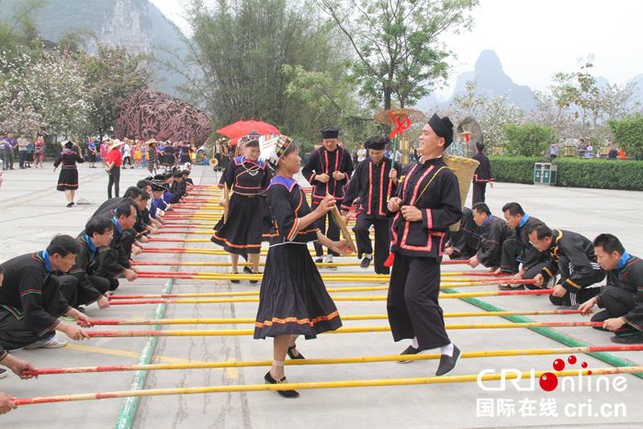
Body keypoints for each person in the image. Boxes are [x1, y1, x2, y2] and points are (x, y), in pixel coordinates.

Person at [254, 136, 349, 398]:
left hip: (298, 255)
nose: (300, 158)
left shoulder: (292, 185)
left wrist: (332, 244)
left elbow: (307, 226)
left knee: (306, 306)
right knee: (287, 314)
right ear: (282, 159)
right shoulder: (277, 188)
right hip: (283, 256)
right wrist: (319, 210)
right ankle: (275, 373)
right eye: (296, 154)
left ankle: (292, 347)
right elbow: (289, 228)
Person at [386, 113, 462, 376]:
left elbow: (453, 214)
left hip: (427, 247)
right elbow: (401, 198)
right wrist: (393, 203)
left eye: (426, 133)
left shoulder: (446, 175)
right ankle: (419, 341)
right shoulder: (412, 169)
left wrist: (423, 215)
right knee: (398, 299)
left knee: (417, 296)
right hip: (403, 243)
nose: (420, 136)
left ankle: (447, 347)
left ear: (440, 141)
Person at [0, 235, 91, 351]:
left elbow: (55, 299)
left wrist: (76, 314)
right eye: (71, 258)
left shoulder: (43, 264)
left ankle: (42, 337)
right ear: (56, 256)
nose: (73, 263)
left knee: (53, 283)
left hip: (14, 303)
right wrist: (67, 328)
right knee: (35, 330)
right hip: (3, 308)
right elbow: (32, 311)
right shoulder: (32, 270)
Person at [212, 139, 271, 283]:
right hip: (238, 203)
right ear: (245, 150)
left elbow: (267, 186)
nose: (255, 154)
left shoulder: (263, 166)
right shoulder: (235, 163)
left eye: (258, 151)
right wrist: (224, 199)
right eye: (252, 151)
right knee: (235, 234)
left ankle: (254, 268)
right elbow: (225, 184)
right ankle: (234, 269)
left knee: (255, 236)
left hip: (256, 204)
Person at [341, 136, 400, 273]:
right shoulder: (363, 165)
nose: (374, 156)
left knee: (383, 243)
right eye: (372, 153)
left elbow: (402, 190)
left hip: (385, 210)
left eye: (377, 154)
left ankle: (382, 272)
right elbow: (354, 186)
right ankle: (367, 252)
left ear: (384, 151)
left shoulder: (393, 166)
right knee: (359, 229)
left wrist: (395, 179)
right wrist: (346, 205)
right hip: (365, 207)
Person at [302, 126, 353, 265]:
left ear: (337, 140)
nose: (329, 144)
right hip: (319, 195)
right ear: (323, 141)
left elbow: (350, 170)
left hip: (337, 195)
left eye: (332, 141)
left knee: (335, 226)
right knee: (317, 225)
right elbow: (305, 170)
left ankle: (331, 254)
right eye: (327, 141)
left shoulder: (344, 154)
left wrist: (343, 175)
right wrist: (317, 177)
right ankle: (318, 254)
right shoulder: (316, 154)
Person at [579, 234, 643, 344]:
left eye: (600, 257)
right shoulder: (612, 266)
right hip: (633, 306)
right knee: (597, 321)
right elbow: (616, 291)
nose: (598, 261)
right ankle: (628, 326)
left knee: (607, 292)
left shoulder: (638, 269)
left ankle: (636, 333)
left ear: (615, 254)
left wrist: (622, 320)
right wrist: (595, 299)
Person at [528, 224, 606, 307]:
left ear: (547, 239)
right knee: (556, 298)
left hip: (594, 267)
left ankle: (572, 303)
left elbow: (585, 268)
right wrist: (543, 274)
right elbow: (555, 260)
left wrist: (565, 286)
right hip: (575, 268)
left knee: (564, 263)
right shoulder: (551, 241)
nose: (534, 246)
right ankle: (603, 292)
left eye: (535, 243)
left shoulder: (567, 243)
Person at [57, 218, 116, 310]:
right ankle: (63, 309)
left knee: (103, 283)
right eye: (108, 234)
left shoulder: (94, 246)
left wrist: (99, 292)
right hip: (59, 282)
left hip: (73, 278)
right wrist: (98, 297)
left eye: (112, 234)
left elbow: (88, 272)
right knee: (71, 280)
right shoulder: (80, 249)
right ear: (95, 234)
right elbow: (78, 275)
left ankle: (73, 304)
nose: (111, 237)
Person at [498, 202, 549, 290]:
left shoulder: (534, 226)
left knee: (528, 279)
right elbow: (518, 243)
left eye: (508, 219)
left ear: (518, 216)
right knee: (509, 243)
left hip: (545, 258)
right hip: (531, 254)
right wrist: (504, 266)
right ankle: (513, 277)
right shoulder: (519, 225)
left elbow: (536, 252)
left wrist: (522, 272)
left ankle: (548, 280)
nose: (507, 222)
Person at [95, 200, 139, 290]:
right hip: (88, 263)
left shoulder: (115, 227)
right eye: (133, 218)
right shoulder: (109, 231)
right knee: (105, 284)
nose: (135, 221)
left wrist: (128, 266)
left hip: (98, 259)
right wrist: (125, 271)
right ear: (122, 218)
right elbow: (106, 258)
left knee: (113, 284)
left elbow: (119, 248)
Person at [467, 203, 515, 270]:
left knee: (495, 245)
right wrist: (477, 256)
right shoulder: (487, 223)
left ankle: (505, 267)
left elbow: (493, 247)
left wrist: (479, 259)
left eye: (475, 216)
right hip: (504, 247)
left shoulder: (494, 225)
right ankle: (498, 265)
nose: (474, 219)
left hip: (512, 250)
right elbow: (484, 243)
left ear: (483, 215)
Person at [53, 141, 85, 207]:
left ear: (64, 146)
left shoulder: (62, 153)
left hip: (65, 170)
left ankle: (69, 201)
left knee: (67, 187)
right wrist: (80, 152)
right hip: (73, 170)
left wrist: (55, 167)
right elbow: (81, 161)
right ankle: (72, 200)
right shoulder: (74, 153)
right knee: (72, 187)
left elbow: (58, 161)